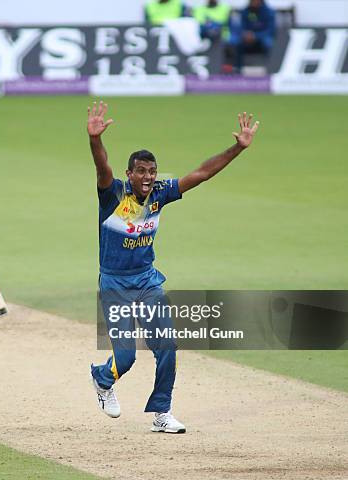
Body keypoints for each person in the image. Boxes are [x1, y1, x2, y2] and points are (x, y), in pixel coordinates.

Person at [87, 101, 259, 433]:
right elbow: (102, 167)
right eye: (141, 171)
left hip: (148, 281)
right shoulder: (113, 195)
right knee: (125, 360)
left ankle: (162, 412)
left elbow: (203, 172)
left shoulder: (160, 193)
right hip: (115, 285)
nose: (148, 177)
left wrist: (238, 148)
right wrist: (95, 140)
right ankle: (101, 378)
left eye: (152, 171)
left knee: (166, 346)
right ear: (129, 174)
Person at [226, 0, 276, 72]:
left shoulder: (269, 12)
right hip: (248, 38)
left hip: (262, 37)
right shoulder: (246, 11)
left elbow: (270, 31)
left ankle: (270, 70)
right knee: (236, 43)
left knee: (268, 43)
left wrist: (255, 36)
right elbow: (242, 27)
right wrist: (246, 34)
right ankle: (237, 70)